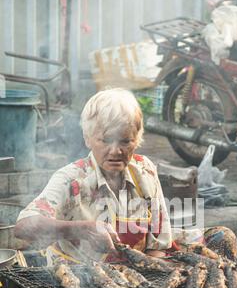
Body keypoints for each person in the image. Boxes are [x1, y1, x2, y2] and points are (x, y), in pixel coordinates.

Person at [14, 88, 173, 265]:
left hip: (134, 281)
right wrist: (80, 229)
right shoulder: (70, 178)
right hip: (76, 283)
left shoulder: (145, 171)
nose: (115, 151)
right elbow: (23, 227)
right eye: (105, 140)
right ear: (87, 138)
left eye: (125, 141)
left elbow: (158, 245)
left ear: (137, 139)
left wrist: (152, 275)